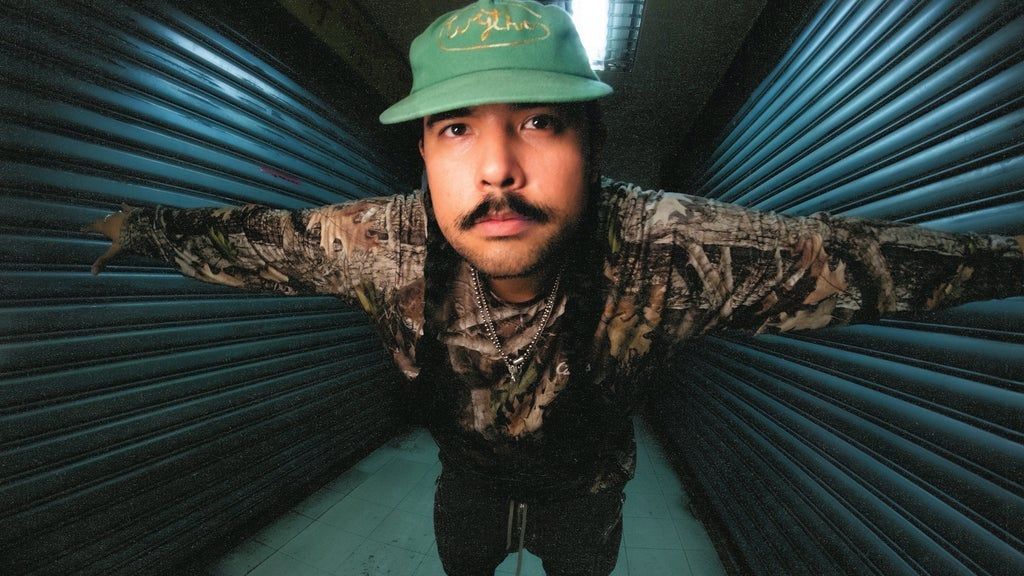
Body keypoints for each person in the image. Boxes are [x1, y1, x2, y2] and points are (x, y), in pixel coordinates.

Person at [84, 1, 1024, 575]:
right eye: (456, 128)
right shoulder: (379, 245)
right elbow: (256, 240)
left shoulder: (666, 248)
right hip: (466, 486)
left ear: (593, 147)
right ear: (423, 155)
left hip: (590, 498)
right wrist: (141, 229)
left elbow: (856, 259)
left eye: (538, 121)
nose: (497, 168)